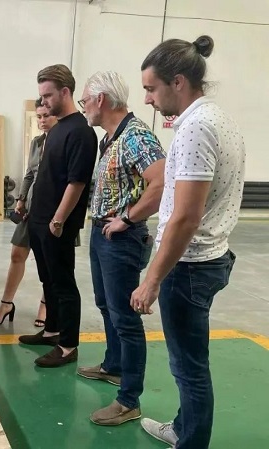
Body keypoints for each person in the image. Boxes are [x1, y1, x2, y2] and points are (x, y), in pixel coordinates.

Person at [132, 35, 245, 449]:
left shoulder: (196, 128)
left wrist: (152, 279)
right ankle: (184, 428)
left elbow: (185, 217)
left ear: (177, 82)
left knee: (189, 367)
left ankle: (191, 441)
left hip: (190, 266)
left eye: (151, 88)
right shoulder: (216, 118)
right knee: (190, 359)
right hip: (209, 257)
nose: (147, 99)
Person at [76, 71, 166, 425]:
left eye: (85, 100)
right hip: (103, 233)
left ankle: (129, 400)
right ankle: (113, 366)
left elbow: (161, 182)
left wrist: (127, 218)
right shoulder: (111, 137)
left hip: (122, 237)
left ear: (101, 100)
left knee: (125, 319)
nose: (84, 107)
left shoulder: (135, 136)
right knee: (107, 306)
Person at [18, 64, 98, 367]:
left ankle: (67, 346)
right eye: (41, 96)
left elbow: (77, 183)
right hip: (39, 220)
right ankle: (51, 330)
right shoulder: (57, 128)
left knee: (63, 283)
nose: (43, 101)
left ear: (65, 92)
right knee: (48, 279)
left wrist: (58, 220)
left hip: (56, 224)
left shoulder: (81, 131)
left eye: (48, 95)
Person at [0, 98, 57, 327]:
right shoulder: (37, 142)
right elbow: (29, 174)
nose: (42, 120)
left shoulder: (63, 142)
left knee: (49, 261)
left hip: (53, 211)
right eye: (39, 116)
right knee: (17, 254)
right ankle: (6, 303)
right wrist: (20, 199)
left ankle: (45, 305)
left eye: (46, 115)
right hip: (30, 208)